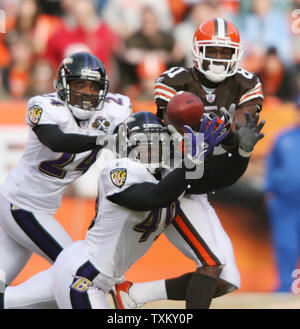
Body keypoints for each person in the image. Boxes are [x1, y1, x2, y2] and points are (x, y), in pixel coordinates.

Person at [1, 109, 227, 308]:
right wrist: (193, 160)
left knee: (9, 301)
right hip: (84, 276)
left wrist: (239, 151)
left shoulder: (170, 173)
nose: (152, 151)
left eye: (157, 144)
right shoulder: (119, 171)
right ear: (127, 147)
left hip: (98, 274)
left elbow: (220, 179)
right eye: (143, 144)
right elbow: (154, 197)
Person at [112, 17, 266, 309]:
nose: (218, 59)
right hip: (173, 181)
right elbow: (180, 133)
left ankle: (133, 295)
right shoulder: (175, 80)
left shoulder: (246, 83)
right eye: (213, 51)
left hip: (199, 186)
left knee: (229, 279)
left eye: (224, 52)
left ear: (237, 55)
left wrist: (238, 144)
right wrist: (222, 136)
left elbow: (243, 126)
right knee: (211, 263)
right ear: (197, 50)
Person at [0, 51, 132, 308]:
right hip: (21, 205)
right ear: (63, 86)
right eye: (79, 85)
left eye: (93, 87)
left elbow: (136, 140)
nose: (86, 92)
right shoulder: (45, 106)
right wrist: (103, 138)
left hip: (37, 207)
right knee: (78, 272)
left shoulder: (115, 109)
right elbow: (56, 139)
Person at [264, 95, 300, 292]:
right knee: (286, 245)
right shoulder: (284, 138)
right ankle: (286, 287)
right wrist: (269, 191)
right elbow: (271, 166)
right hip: (285, 201)